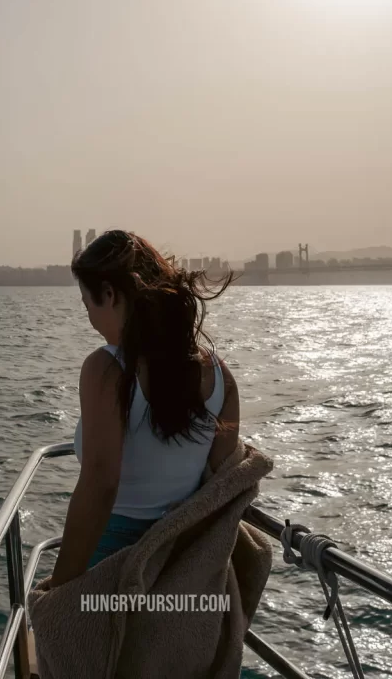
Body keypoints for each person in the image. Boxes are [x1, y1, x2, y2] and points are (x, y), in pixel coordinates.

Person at [49, 229, 240, 588]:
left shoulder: (106, 367)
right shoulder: (219, 373)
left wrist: (60, 589)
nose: (90, 318)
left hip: (111, 570)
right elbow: (218, 485)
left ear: (109, 294)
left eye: (87, 304)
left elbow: (101, 484)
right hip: (182, 573)